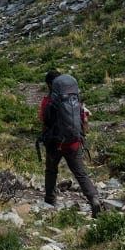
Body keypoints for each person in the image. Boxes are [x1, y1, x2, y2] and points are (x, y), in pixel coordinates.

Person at [40, 69, 102, 216]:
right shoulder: (75, 101)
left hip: (54, 144)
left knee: (51, 171)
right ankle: (93, 199)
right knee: (80, 173)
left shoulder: (47, 102)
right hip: (74, 143)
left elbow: (44, 121)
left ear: (50, 85)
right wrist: (82, 135)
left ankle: (50, 200)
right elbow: (85, 120)